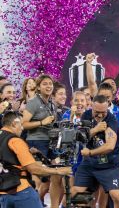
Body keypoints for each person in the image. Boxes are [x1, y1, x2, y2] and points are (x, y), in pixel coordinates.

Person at [0, 111, 71, 208]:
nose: (22, 128)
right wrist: (58, 171)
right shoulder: (16, 141)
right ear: (14, 124)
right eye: (20, 124)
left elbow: (6, 157)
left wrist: (27, 153)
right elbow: (34, 169)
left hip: (3, 194)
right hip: (21, 191)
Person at [71, 95, 119, 208]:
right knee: (74, 192)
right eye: (97, 112)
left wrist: (90, 153)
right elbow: (81, 137)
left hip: (109, 164)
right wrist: (95, 130)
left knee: (115, 194)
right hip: (90, 163)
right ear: (91, 106)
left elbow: (110, 146)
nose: (100, 115)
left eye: (103, 112)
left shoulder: (112, 121)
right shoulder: (85, 115)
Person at [21, 75, 58, 206]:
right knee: (37, 177)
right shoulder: (33, 102)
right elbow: (24, 124)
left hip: (51, 142)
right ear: (38, 87)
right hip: (36, 142)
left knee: (51, 177)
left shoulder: (52, 102)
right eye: (45, 84)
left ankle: (40, 202)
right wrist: (42, 122)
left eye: (50, 84)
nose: (48, 86)